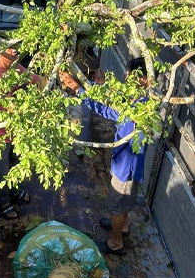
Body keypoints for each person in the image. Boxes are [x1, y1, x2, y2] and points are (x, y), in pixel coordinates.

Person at [61, 57, 149, 254]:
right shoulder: (140, 97)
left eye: (131, 75)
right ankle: (123, 226)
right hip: (126, 160)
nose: (126, 78)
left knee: (117, 203)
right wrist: (97, 87)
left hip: (127, 165)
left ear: (143, 79)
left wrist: (78, 90)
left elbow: (109, 110)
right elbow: (114, 101)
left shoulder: (138, 107)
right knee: (124, 200)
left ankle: (116, 243)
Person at [0, 47, 39, 219]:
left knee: (15, 164)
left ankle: (14, 191)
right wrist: (38, 111)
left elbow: (36, 80)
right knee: (3, 173)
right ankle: (4, 203)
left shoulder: (17, 68)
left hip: (13, 131)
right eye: (10, 49)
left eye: (15, 48)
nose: (15, 52)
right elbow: (10, 106)